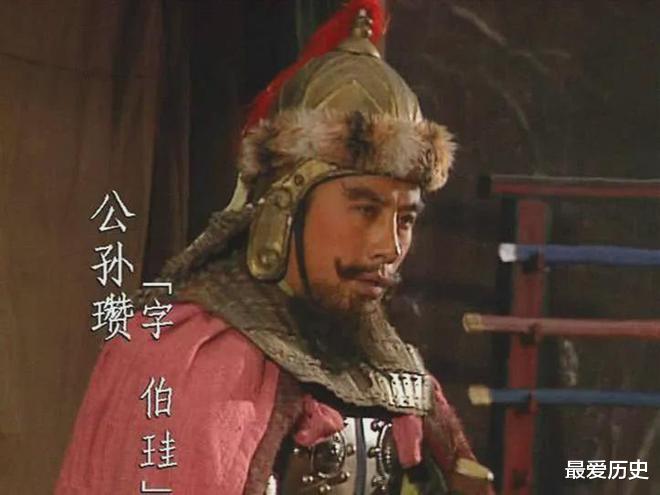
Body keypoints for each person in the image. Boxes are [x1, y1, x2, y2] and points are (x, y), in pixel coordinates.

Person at [56, 2, 495, 494]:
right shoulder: (182, 357)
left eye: (405, 219)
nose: (389, 246)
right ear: (286, 206)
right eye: (365, 209)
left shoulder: (397, 373)